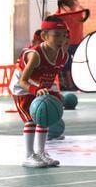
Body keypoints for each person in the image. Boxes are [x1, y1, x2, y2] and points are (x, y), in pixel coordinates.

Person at [9, 16, 68, 168]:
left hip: (40, 87)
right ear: (44, 36)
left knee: (44, 116)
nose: (61, 39)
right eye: (56, 35)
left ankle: (41, 153)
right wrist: (36, 90)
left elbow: (50, 76)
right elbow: (23, 81)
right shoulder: (35, 55)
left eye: (64, 35)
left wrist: (54, 94)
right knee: (31, 119)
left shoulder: (63, 56)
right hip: (22, 87)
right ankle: (29, 155)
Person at [55, 0, 90, 90]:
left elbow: (55, 15)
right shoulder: (78, 15)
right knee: (77, 64)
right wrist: (79, 6)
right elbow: (86, 11)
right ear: (74, 5)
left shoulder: (63, 15)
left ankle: (70, 84)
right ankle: (76, 84)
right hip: (75, 43)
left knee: (67, 63)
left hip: (67, 43)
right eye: (76, 3)